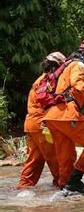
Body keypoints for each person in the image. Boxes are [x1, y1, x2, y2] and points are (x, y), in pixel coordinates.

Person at [43, 37, 84, 194]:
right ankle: (75, 180)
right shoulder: (78, 64)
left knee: (66, 153)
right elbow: (77, 82)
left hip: (52, 116)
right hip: (67, 113)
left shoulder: (66, 65)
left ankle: (65, 185)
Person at [16, 52, 65, 189]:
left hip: (31, 125)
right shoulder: (48, 82)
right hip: (41, 125)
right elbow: (48, 102)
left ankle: (23, 187)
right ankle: (63, 185)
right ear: (56, 67)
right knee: (56, 158)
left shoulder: (39, 80)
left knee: (34, 160)